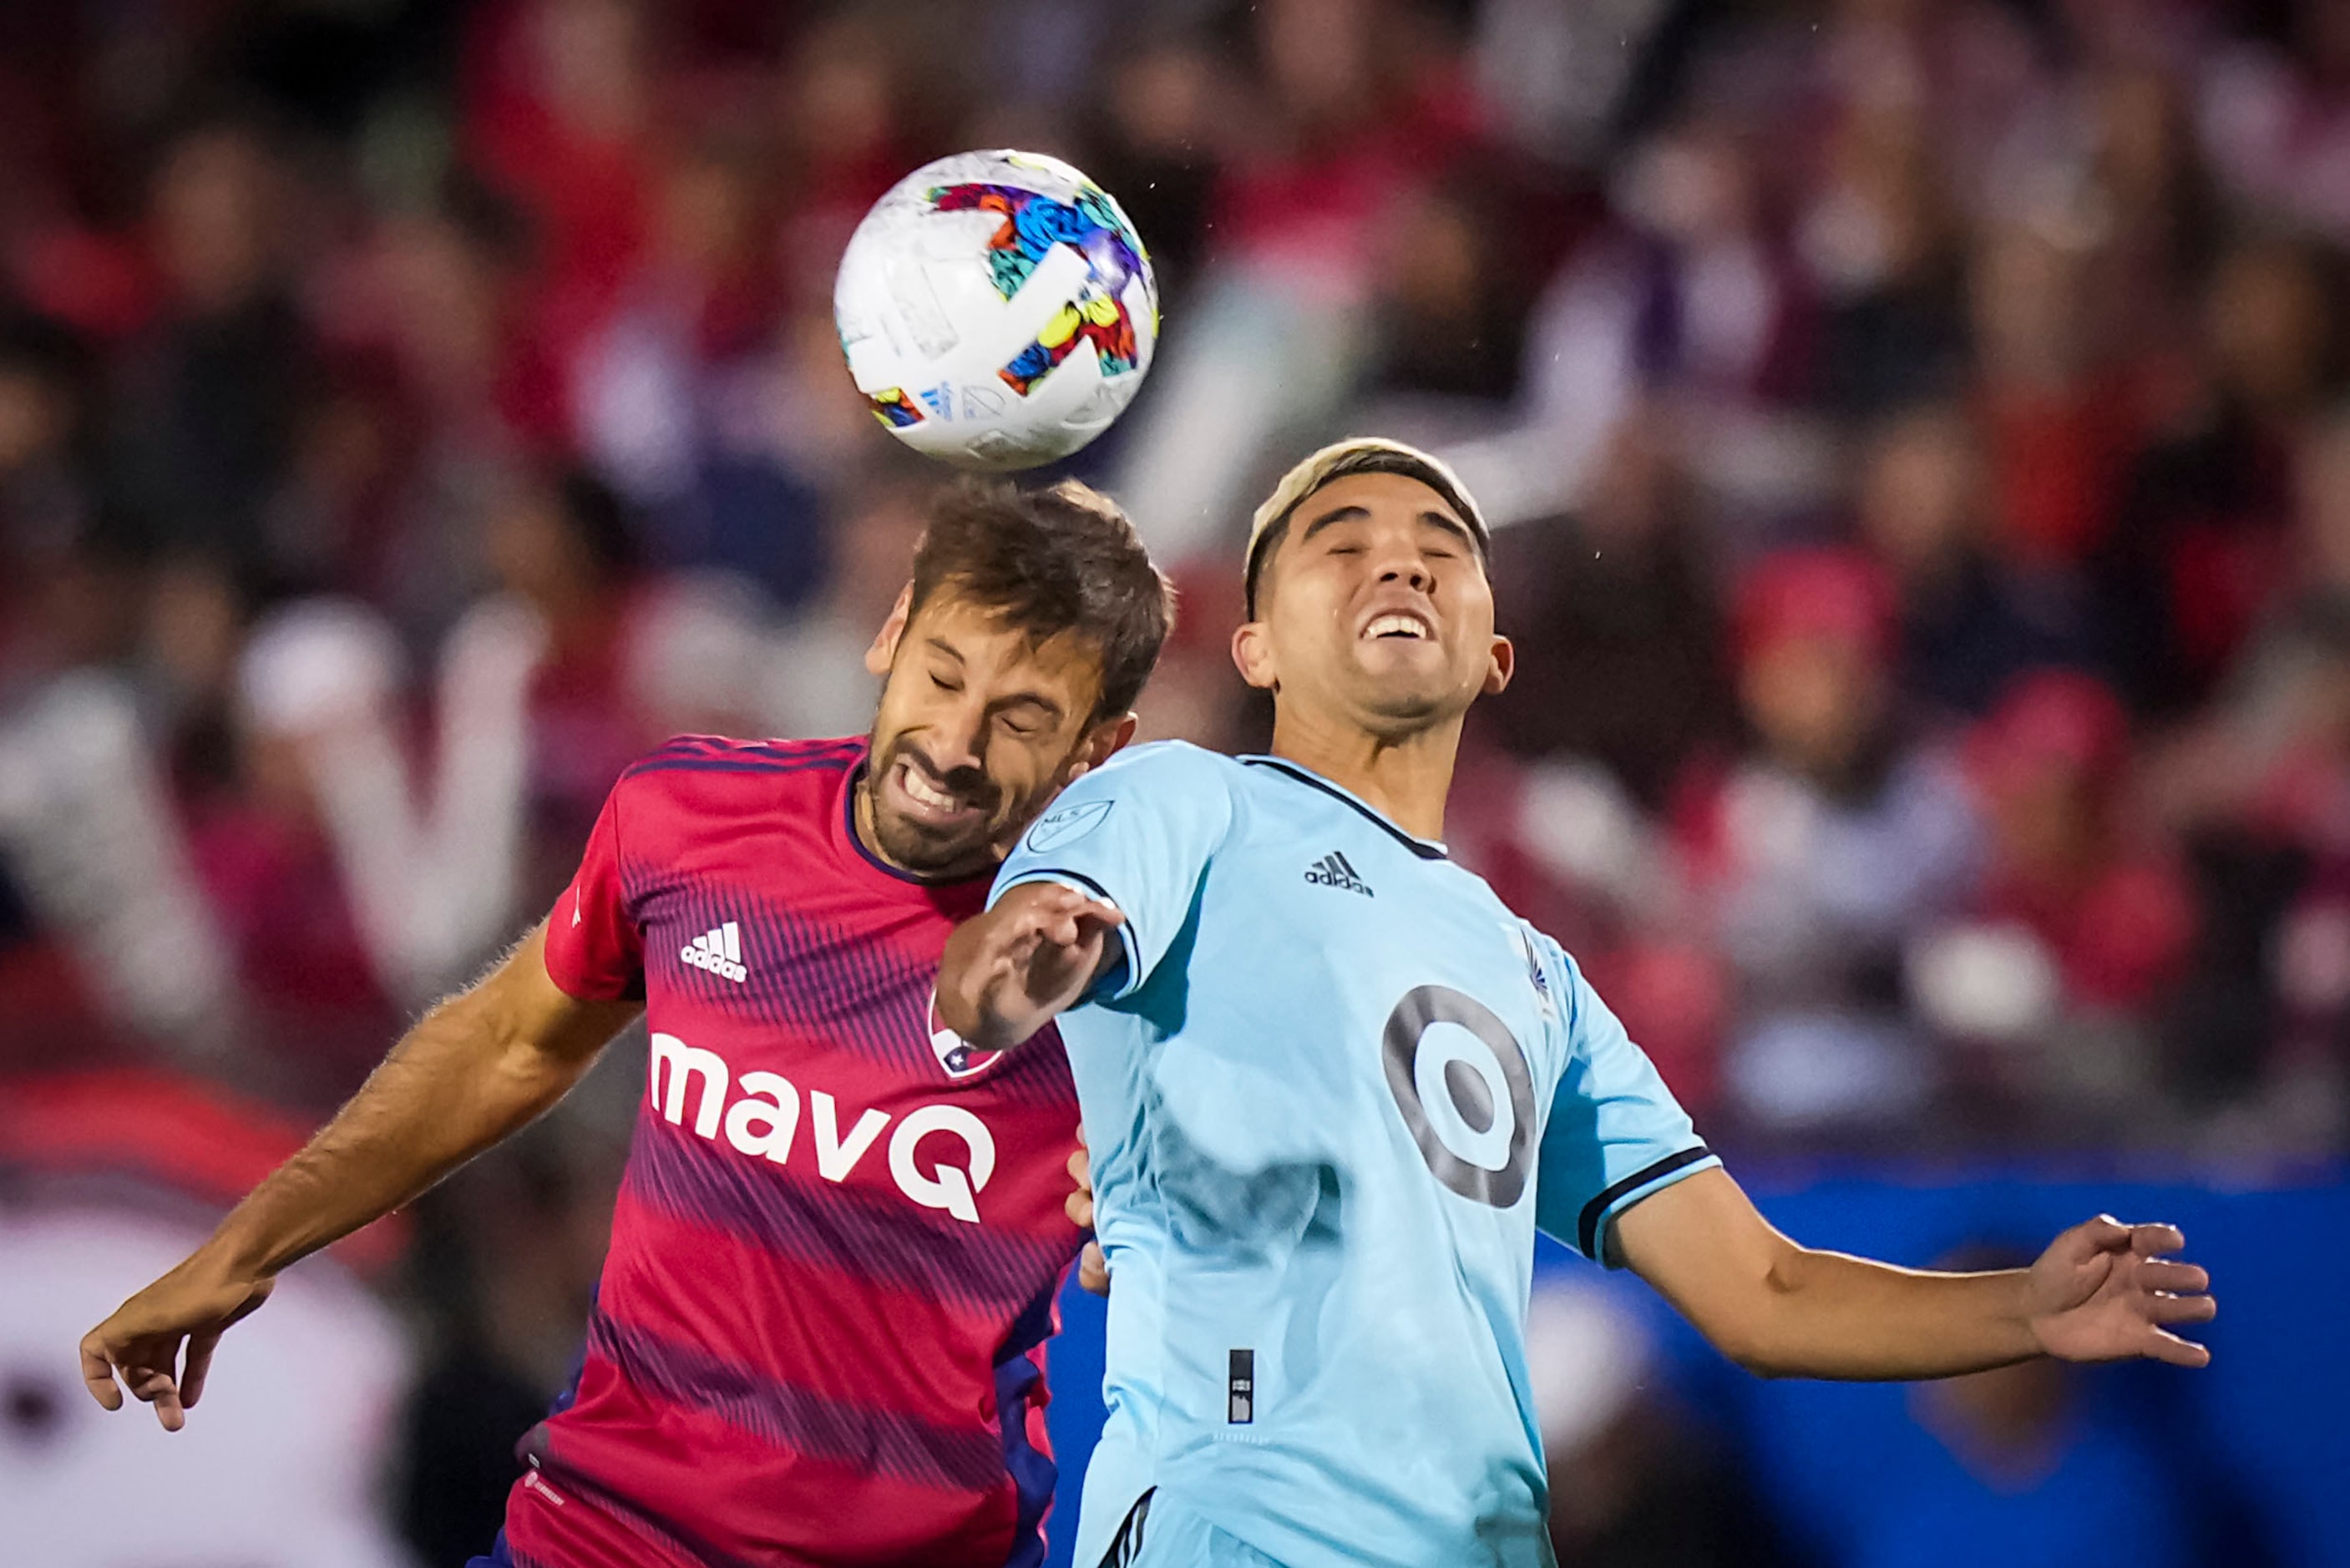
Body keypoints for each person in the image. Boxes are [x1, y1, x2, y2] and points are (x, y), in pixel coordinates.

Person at [938, 438, 2217, 1568]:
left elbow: (1759, 1288)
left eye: (1440, 547)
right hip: (1238, 1526)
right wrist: (1028, 967)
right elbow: (998, 970)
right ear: (1255, 643)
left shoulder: (1533, 974)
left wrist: (2023, 1309)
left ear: (1494, 653)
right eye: (1342, 542)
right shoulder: (1183, 803)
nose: (1399, 563)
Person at [80, 477, 1174, 1568]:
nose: (954, 742)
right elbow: (507, 1043)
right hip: (599, 1533)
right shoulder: (690, 817)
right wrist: (247, 1247)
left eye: (1022, 717)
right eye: (942, 674)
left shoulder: (1139, 976)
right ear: (890, 632)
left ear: (1100, 743)